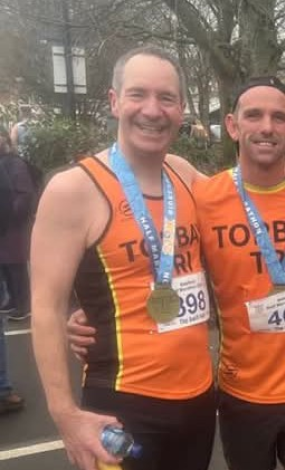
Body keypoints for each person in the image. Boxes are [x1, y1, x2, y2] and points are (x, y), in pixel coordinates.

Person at [31, 46, 215, 470]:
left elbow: (242, 200)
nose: (152, 110)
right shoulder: (74, 189)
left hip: (199, 401)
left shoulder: (183, 174)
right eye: (138, 94)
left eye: (166, 98)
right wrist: (66, 417)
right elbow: (45, 308)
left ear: (181, 109)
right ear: (115, 102)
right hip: (121, 408)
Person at [194, 76, 285, 470]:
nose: (266, 127)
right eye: (253, 115)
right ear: (232, 125)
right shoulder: (204, 198)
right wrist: (91, 309)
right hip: (242, 391)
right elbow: (158, 262)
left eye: (278, 118)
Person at [0, 126, 30, 413]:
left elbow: (18, 197)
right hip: (6, 235)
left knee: (16, 274)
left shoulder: (14, 165)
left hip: (9, 235)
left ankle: (2, 388)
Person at [0, 127, 37, 321]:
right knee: (6, 266)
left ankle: (24, 305)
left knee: (16, 267)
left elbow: (25, 194)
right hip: (5, 225)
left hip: (13, 226)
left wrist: (10, 214)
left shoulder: (15, 163)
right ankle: (13, 301)